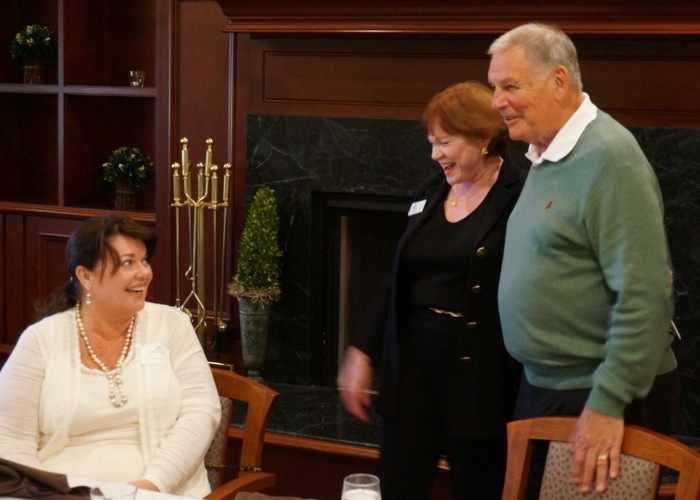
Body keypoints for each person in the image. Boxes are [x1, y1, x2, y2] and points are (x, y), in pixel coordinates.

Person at [488, 23, 680, 496]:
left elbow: (645, 295)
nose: (495, 101)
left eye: (510, 86)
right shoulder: (546, 152)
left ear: (558, 82)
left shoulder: (610, 160)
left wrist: (607, 403)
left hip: (597, 397)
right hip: (549, 388)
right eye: (495, 87)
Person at [337, 81, 525, 499]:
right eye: (431, 142)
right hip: (413, 374)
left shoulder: (520, 197)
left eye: (444, 142)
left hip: (479, 380)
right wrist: (362, 350)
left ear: (481, 137)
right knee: (398, 487)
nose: (434, 154)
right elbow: (396, 278)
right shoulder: (430, 192)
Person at [0, 214, 221, 497]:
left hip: (161, 492)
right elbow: (9, 440)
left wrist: (148, 487)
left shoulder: (171, 326)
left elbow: (201, 413)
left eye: (144, 260)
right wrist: (51, 493)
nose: (144, 273)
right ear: (85, 276)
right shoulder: (41, 340)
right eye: (128, 262)